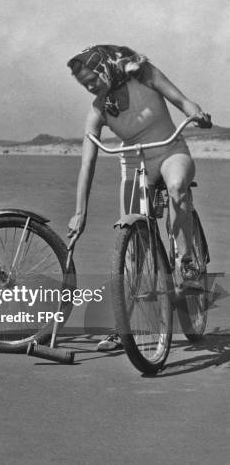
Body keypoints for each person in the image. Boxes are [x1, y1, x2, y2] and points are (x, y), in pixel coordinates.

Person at [65, 44, 210, 351]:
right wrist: (80, 212)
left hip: (171, 151)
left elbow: (182, 100)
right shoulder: (98, 109)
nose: (89, 86)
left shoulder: (144, 75)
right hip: (134, 164)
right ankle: (124, 325)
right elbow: (86, 163)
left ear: (105, 67)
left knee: (177, 190)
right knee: (132, 250)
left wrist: (194, 112)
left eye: (92, 78)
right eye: (84, 84)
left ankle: (187, 266)